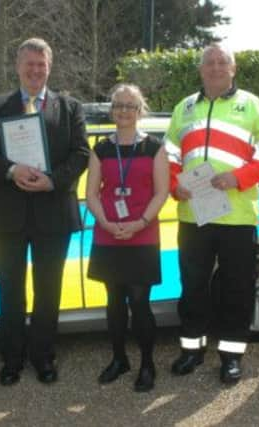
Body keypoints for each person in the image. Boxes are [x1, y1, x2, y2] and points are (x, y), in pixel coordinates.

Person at [0, 38, 88, 386]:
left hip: (53, 213)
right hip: (8, 215)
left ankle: (43, 356)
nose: (35, 70)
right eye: (29, 64)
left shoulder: (70, 107)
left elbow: (80, 154)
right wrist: (10, 170)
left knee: (48, 290)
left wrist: (52, 181)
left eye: (41, 64)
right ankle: (11, 358)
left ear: (49, 67)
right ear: (17, 66)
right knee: (10, 290)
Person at [165, 43, 259, 384]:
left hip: (238, 216)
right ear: (201, 70)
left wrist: (238, 178)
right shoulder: (184, 108)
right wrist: (174, 185)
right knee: (193, 286)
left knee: (237, 288)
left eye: (222, 62)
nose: (215, 68)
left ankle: (231, 357)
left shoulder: (252, 105)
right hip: (193, 214)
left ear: (233, 69)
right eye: (209, 63)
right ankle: (192, 350)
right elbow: (169, 155)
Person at [86, 84, 169, 392]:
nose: (123, 111)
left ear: (139, 111)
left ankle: (147, 365)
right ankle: (119, 359)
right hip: (108, 234)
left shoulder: (153, 147)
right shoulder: (101, 149)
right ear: (112, 110)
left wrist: (140, 222)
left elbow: (163, 191)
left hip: (142, 234)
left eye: (129, 106)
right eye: (118, 105)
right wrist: (105, 222)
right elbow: (91, 193)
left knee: (139, 301)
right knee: (114, 302)